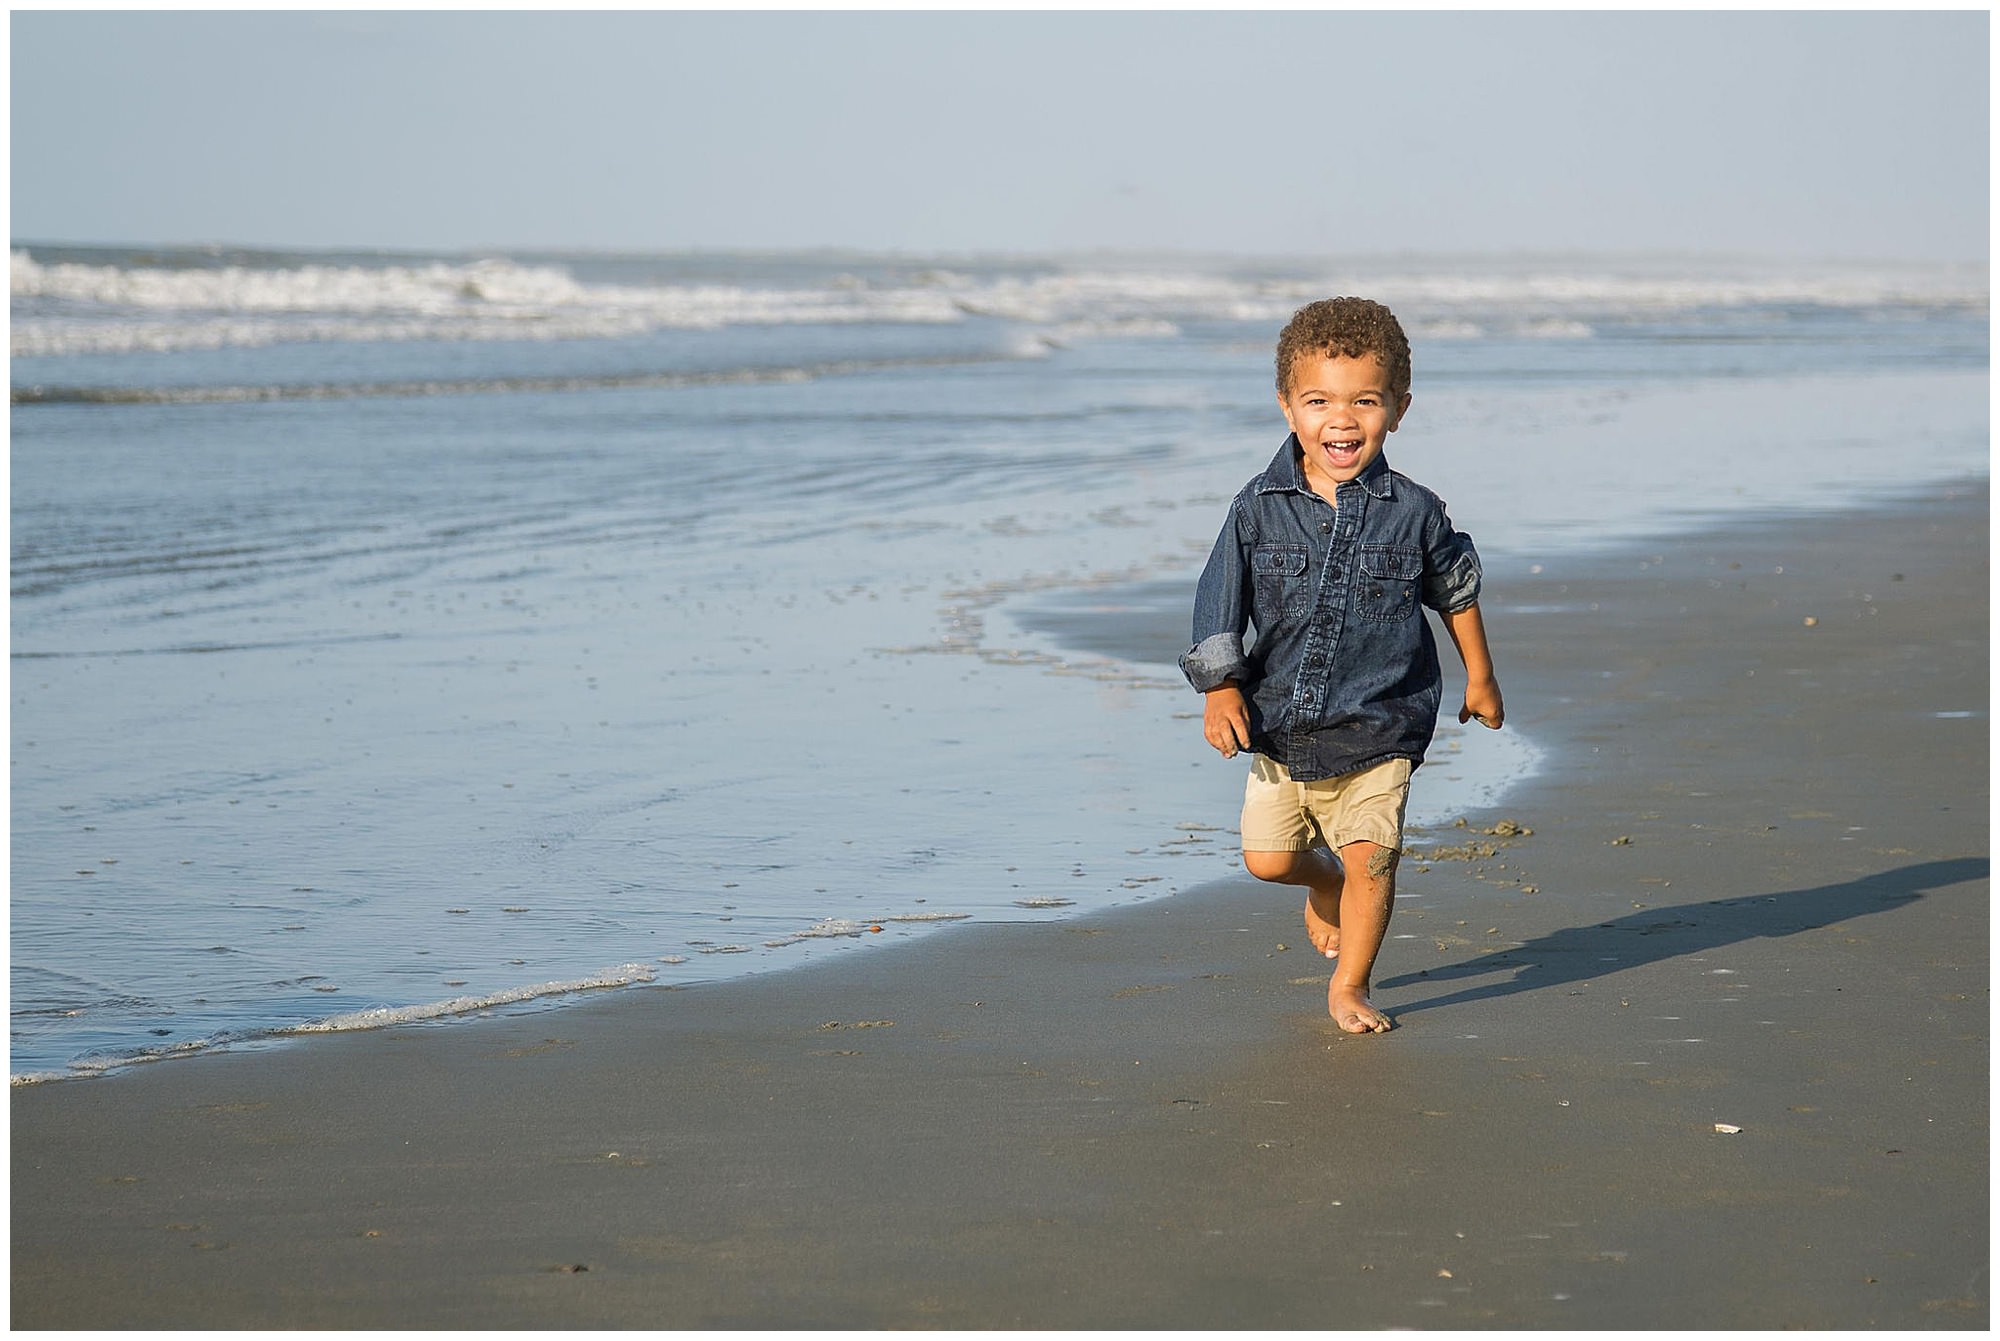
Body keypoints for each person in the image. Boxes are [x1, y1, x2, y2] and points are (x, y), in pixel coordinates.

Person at [1180, 297, 1504, 1035]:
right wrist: (1220, 688)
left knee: (1374, 858)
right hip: (1283, 725)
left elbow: (1455, 589)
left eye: (1366, 401)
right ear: (1288, 407)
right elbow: (1217, 599)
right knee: (1267, 859)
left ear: (1399, 408)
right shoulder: (1258, 507)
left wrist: (1480, 675)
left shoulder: (1414, 511)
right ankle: (1320, 879)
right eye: (1319, 400)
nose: (1343, 420)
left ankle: (1349, 984)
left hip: (1383, 720)